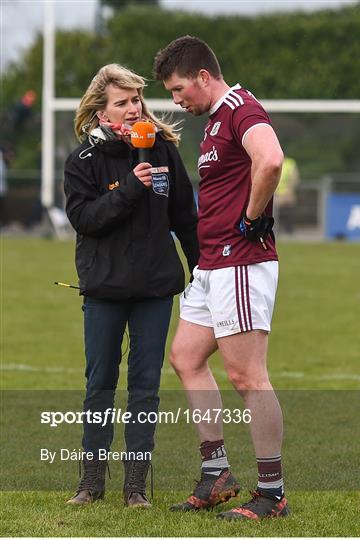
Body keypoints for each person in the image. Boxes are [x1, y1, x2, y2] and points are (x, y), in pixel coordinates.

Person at [153, 36, 289, 520]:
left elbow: (270, 159)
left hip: (240, 262)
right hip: (212, 265)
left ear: (203, 77)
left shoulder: (239, 109)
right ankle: (217, 475)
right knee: (186, 358)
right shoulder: (213, 123)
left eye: (177, 88)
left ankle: (272, 494)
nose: (175, 100)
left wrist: (253, 219)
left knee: (247, 376)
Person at [64, 64, 199, 507]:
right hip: (103, 289)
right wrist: (128, 190)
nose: (132, 108)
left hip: (155, 289)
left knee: (145, 386)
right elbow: (84, 219)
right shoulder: (82, 160)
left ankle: (136, 487)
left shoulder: (161, 151)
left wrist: (201, 271)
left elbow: (185, 217)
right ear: (102, 113)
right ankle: (91, 483)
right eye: (121, 103)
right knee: (100, 382)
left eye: (135, 100)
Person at [274, 156, 300, 234]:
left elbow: (295, 179)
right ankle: (278, 229)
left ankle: (289, 229)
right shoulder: (274, 161)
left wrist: (289, 190)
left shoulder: (290, 163)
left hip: (288, 193)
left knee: (289, 211)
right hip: (276, 193)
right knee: (277, 212)